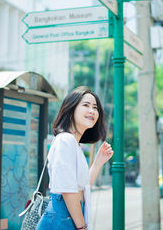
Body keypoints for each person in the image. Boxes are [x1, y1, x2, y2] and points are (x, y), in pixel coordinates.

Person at [36, 86, 113, 230]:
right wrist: (81, 226)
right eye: (86, 105)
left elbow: (81, 187)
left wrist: (98, 163)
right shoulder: (65, 140)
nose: (92, 111)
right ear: (71, 109)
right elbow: (68, 190)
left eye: (95, 107)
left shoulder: (74, 143)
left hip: (67, 217)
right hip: (62, 218)